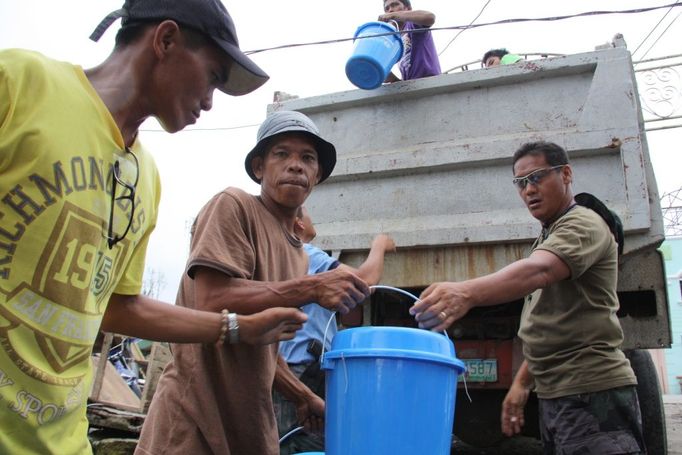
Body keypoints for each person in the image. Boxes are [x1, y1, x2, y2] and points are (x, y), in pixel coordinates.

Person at [0, 1, 309, 453]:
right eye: (214, 77)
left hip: (59, 441)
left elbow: (118, 308)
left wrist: (238, 327)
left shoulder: (144, 178)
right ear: (165, 41)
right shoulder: (22, 84)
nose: (209, 100)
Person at [135, 111, 371, 455]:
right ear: (259, 167)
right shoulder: (234, 206)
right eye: (282, 154)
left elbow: (262, 341)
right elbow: (212, 298)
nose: (296, 165)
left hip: (248, 426)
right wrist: (311, 287)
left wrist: (302, 396)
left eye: (307, 158)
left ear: (317, 175)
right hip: (194, 421)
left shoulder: (299, 255)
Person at [410, 141, 646, 454]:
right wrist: (521, 384)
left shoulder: (583, 224)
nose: (528, 190)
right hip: (559, 394)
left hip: (590, 392)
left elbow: (539, 271)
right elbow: (551, 326)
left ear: (565, 174)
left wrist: (466, 292)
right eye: (521, 183)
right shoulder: (550, 235)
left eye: (536, 178)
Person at [276, 206, 396, 454]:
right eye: (307, 212)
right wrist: (380, 244)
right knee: (301, 444)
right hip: (300, 374)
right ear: (299, 224)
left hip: (293, 371)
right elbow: (366, 279)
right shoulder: (306, 252)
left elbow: (346, 312)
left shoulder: (290, 257)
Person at [379, 0, 441, 82]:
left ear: (408, 9)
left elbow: (430, 17)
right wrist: (390, 77)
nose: (390, 10)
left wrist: (393, 15)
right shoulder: (395, 40)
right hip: (412, 87)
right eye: (387, 8)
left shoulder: (413, 25)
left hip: (430, 82)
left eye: (395, 5)